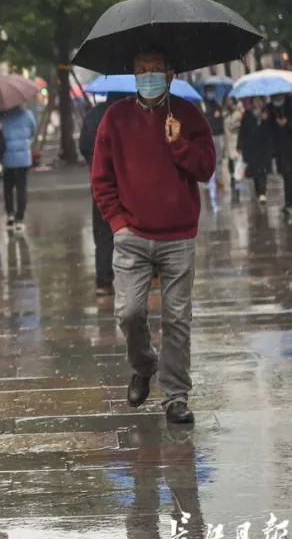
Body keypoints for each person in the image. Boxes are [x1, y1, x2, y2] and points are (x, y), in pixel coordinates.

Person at [91, 47, 216, 424]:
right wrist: (118, 223)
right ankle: (144, 365)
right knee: (129, 313)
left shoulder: (189, 116)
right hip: (132, 236)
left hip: (178, 236)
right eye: (141, 69)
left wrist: (178, 144)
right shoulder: (116, 118)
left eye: (156, 69)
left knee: (177, 317)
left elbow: (206, 168)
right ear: (133, 74)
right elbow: (101, 178)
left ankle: (176, 396)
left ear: (170, 74)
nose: (148, 75)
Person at [80, 93, 128, 296]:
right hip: (128, 180)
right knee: (133, 230)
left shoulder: (93, 115)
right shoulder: (130, 113)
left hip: (100, 180)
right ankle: (136, 277)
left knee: (103, 232)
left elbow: (82, 146)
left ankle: (104, 281)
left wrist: (94, 162)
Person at [0, 106, 37, 232]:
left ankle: (10, 215)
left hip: (7, 157)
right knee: (21, 188)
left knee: (8, 188)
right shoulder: (28, 114)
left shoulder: (2, 116)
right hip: (23, 158)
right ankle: (20, 219)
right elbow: (33, 131)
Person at [268, 93, 292, 214]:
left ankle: (289, 203)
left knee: (288, 175)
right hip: (279, 148)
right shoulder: (270, 108)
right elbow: (270, 129)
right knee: (286, 175)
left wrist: (287, 123)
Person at [238, 97, 272, 203]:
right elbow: (242, 131)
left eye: (259, 101)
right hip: (251, 148)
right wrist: (240, 146)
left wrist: (265, 120)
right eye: (255, 101)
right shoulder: (247, 115)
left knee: (263, 172)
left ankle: (263, 192)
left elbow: (271, 130)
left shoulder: (267, 114)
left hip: (263, 148)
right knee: (255, 174)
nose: (257, 103)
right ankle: (259, 192)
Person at [202, 85, 225, 195]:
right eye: (209, 91)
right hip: (208, 135)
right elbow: (202, 117)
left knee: (219, 157)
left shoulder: (216, 104)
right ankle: (207, 176)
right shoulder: (202, 105)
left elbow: (221, 118)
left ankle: (219, 178)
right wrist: (211, 115)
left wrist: (219, 116)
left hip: (218, 134)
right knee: (208, 157)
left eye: (212, 91)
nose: (211, 93)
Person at [222, 97, 243, 202]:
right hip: (228, 146)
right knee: (231, 171)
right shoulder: (225, 115)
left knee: (237, 171)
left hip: (236, 146)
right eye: (227, 102)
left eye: (230, 101)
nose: (228, 103)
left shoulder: (238, 115)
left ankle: (238, 193)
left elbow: (240, 127)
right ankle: (233, 189)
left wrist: (235, 127)